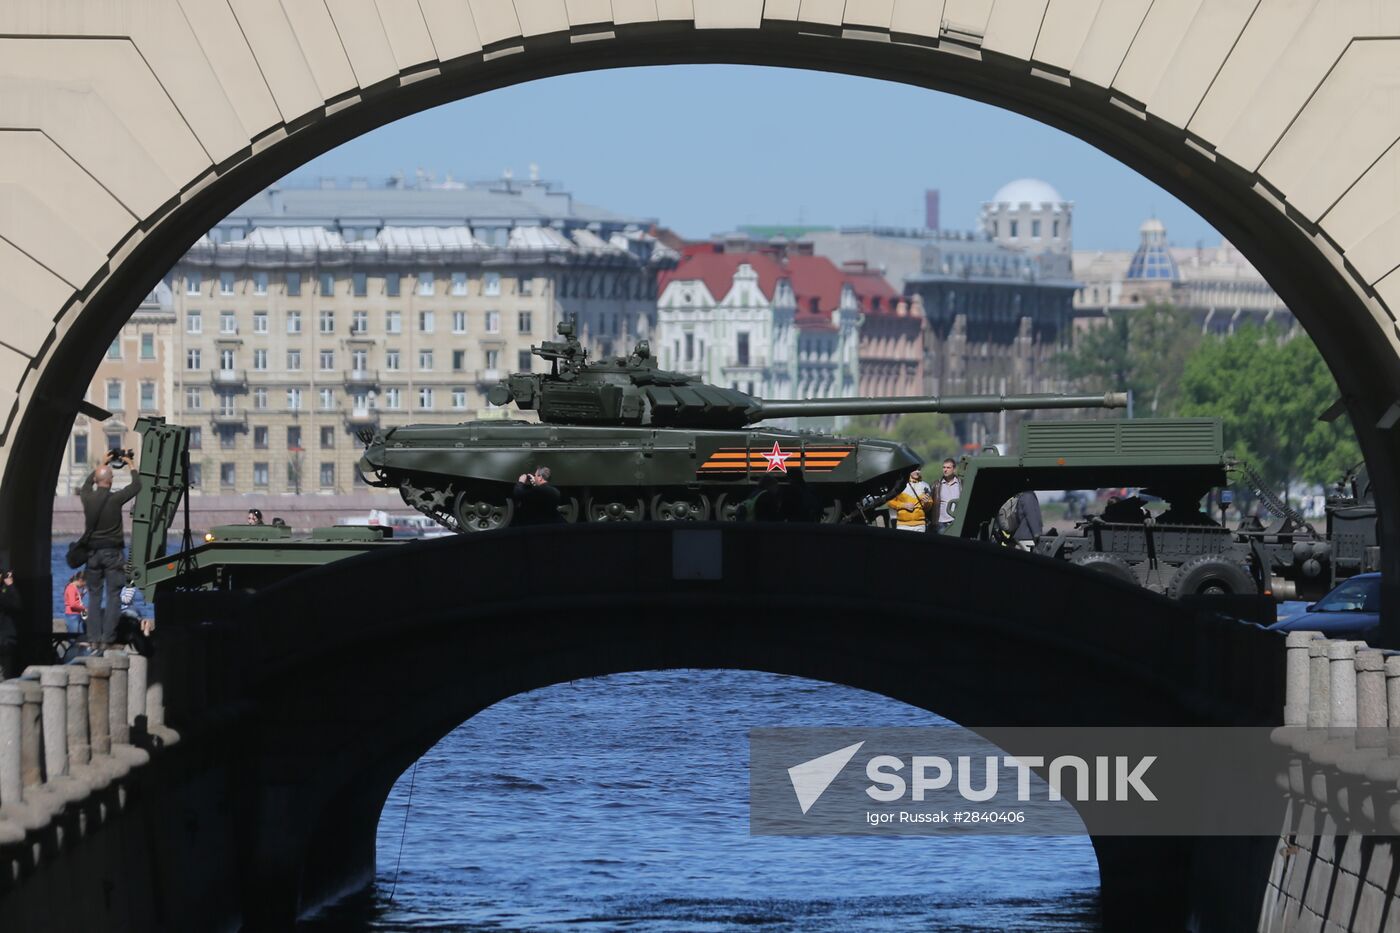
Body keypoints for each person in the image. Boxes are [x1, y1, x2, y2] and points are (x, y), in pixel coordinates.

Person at [79, 449, 142, 647]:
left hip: (93, 555)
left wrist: (103, 463)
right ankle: (108, 638)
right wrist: (130, 464)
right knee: (114, 596)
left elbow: (87, 484)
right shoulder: (115, 499)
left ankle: (93, 638)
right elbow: (136, 486)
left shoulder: (87, 497)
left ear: (97, 480)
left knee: (94, 597)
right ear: (111, 480)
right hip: (113, 554)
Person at [933, 459, 961, 534]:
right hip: (941, 523)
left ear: (954, 469)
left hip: (956, 522)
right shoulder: (936, 484)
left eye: (948, 468)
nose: (945, 470)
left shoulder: (961, 484)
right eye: (944, 467)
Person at [0, 570, 19, 679]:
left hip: (4, 640)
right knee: (4, 675)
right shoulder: (3, 595)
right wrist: (11, 586)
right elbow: (17, 604)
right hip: (4, 640)